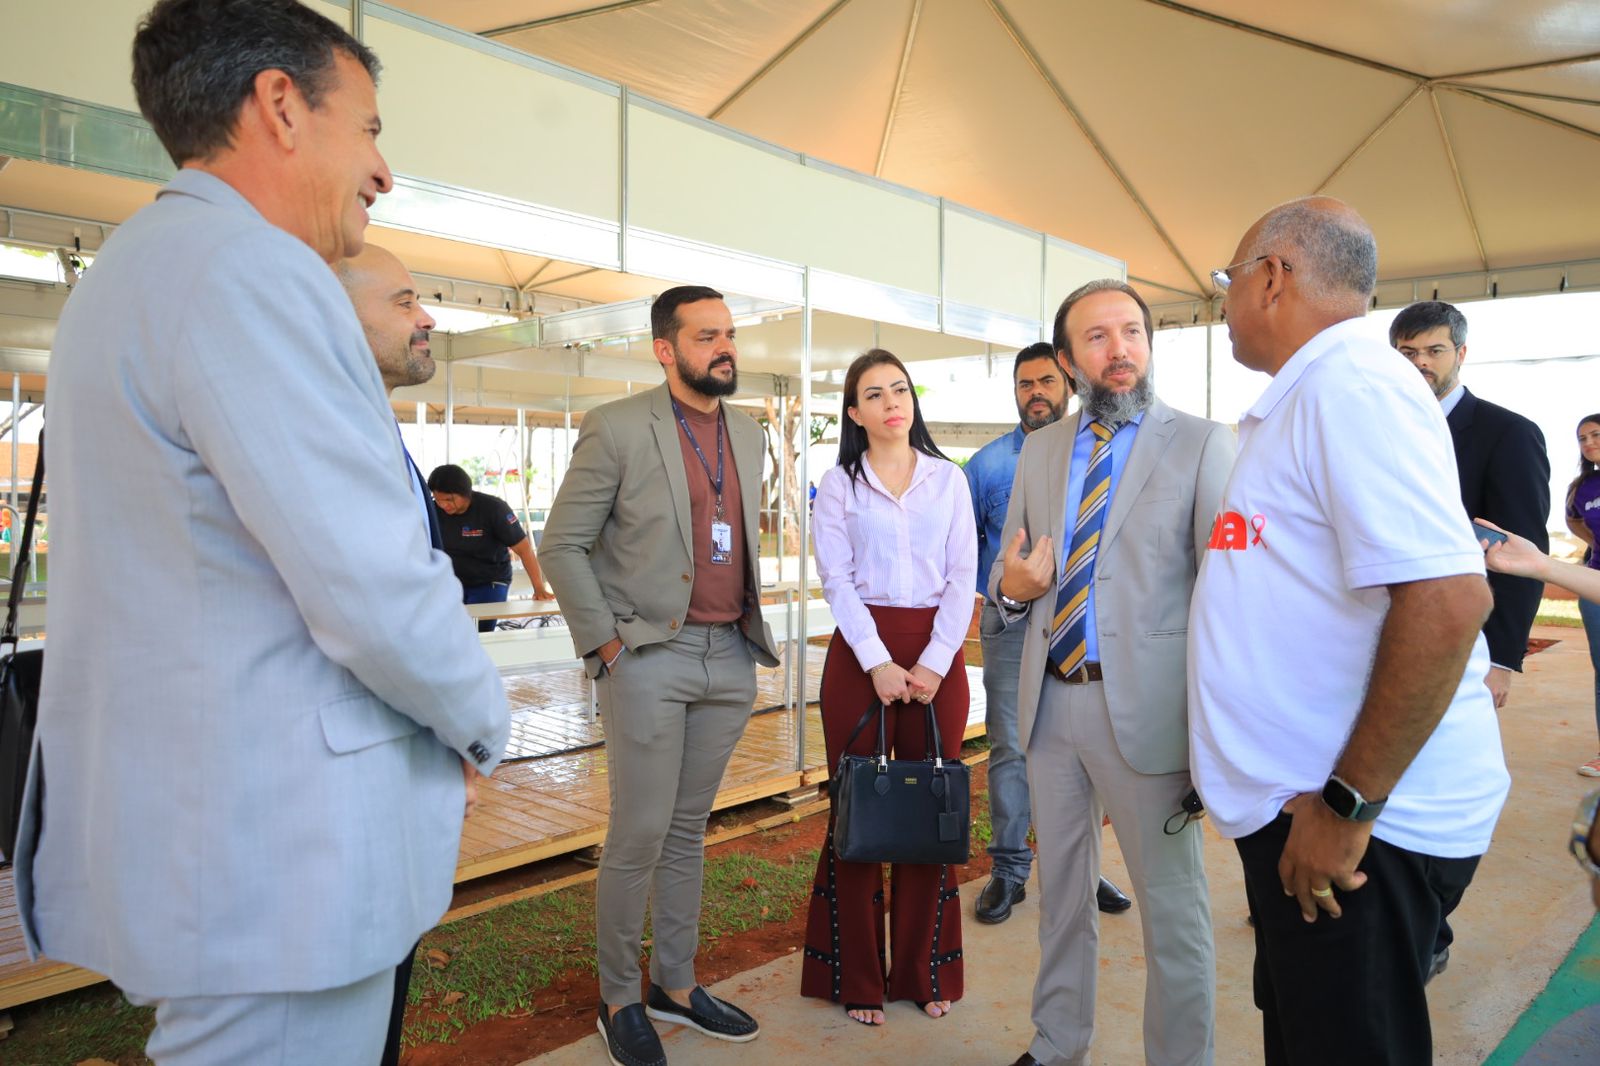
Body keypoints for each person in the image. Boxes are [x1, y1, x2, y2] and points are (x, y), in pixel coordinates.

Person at [14, 3, 510, 1064]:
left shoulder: (136, 271)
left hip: (212, 847)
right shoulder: (253, 270)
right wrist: (478, 716)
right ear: (281, 105)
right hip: (283, 866)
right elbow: (370, 582)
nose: (382, 172)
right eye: (370, 128)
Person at [1189, 196, 1510, 1066]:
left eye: (1228, 279)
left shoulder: (1353, 388)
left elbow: (1448, 602)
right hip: (1312, 815)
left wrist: (1347, 806)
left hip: (1359, 835)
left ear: (1273, 277)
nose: (1223, 302)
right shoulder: (1307, 398)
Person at [991, 282, 1233, 1066]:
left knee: (1173, 912)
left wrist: (1211, 733)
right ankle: (1058, 1043)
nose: (1119, 349)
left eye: (1132, 331)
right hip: (1050, 707)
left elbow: (1227, 599)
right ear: (1067, 361)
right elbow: (1010, 570)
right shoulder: (1040, 448)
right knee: (1062, 898)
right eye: (1096, 338)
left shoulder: (1201, 443)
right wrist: (1010, 589)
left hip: (1151, 718)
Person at [540, 285, 782, 1066]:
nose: (725, 347)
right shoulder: (615, 427)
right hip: (647, 657)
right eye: (707, 335)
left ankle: (674, 987)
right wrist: (606, 647)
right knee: (639, 832)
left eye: (730, 334)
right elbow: (562, 545)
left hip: (729, 655)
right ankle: (619, 998)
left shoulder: (747, 433)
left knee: (687, 832)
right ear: (664, 347)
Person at [802, 348, 977, 1026]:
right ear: (855, 413)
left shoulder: (948, 481)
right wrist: (876, 661)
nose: (889, 402)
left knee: (930, 814)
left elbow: (964, 577)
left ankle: (922, 971)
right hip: (858, 658)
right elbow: (836, 580)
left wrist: (935, 661)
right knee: (861, 812)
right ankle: (859, 981)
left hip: (937, 659)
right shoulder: (839, 484)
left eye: (898, 389)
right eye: (872, 394)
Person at [336, 243, 458, 1066]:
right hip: (338, 785)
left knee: (380, 996)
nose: (428, 318)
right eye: (404, 301)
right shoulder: (322, 432)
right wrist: (468, 729)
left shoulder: (378, 428)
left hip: (385, 768)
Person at [964, 341, 1130, 925]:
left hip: (1087, 629)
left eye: (1045, 382)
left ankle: (1082, 864)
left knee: (1089, 747)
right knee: (1011, 747)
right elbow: (967, 557)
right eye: (1023, 384)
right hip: (1012, 628)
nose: (1035, 393)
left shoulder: (1107, 455)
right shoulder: (986, 466)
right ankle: (1009, 869)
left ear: (1068, 383)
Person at [1391, 300, 1550, 712]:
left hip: (1466, 637)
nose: (1420, 362)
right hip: (1382, 627)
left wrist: (1499, 658)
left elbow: (1521, 552)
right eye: (1408, 353)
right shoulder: (1381, 427)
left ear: (1461, 354)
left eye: (1434, 351)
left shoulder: (1509, 433)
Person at [427, 463, 554, 631]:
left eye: (449, 499)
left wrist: (539, 588)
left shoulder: (493, 509)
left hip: (490, 580)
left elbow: (524, 550)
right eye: (439, 499)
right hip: (452, 581)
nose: (444, 505)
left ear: (466, 493)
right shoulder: (433, 510)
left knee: (480, 630)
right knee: (448, 630)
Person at [1565, 414, 1600, 776]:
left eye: (1595, 435)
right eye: (1583, 438)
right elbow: (1574, 521)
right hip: (1595, 586)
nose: (1588, 443)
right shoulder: (1582, 487)